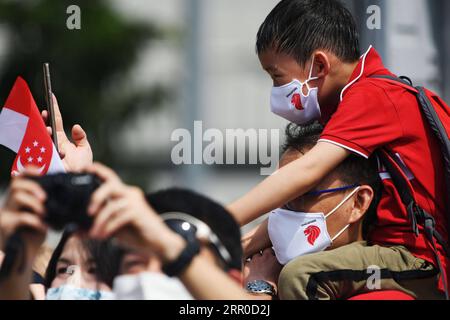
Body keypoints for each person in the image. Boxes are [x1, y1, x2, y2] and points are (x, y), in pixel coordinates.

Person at [228, 0, 449, 298]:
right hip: (379, 251)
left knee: (301, 275)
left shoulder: (372, 97)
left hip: (414, 259)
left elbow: (306, 173)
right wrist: (236, 246)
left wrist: (216, 219)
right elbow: (298, 203)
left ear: (319, 65)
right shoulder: (345, 105)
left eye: (277, 77)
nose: (275, 91)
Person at [247, 122, 442, 299]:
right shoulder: (263, 270)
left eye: (303, 193)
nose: (284, 209)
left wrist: (259, 291)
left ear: (357, 203)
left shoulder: (387, 295)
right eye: (280, 195)